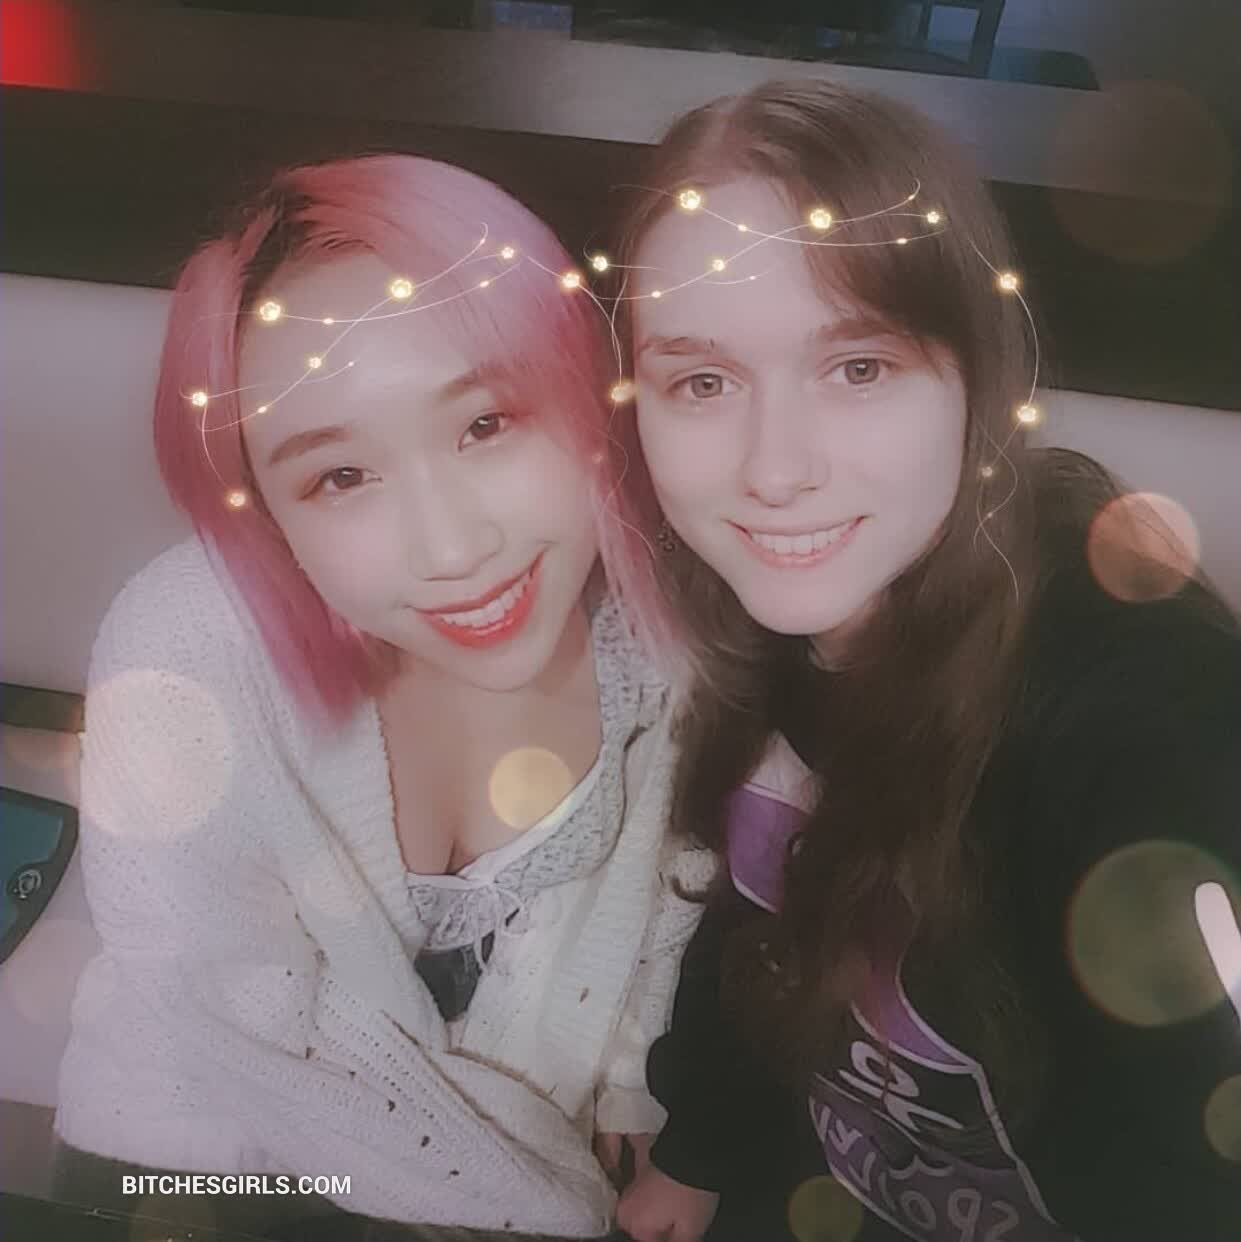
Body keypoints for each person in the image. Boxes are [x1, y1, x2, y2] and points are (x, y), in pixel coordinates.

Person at [599, 80, 1241, 1241]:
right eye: (702, 382)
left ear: (974, 378)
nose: (774, 471)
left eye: (857, 367)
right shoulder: (750, 618)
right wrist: (695, 1154)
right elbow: (759, 921)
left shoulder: (1146, 705)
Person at [53, 154, 711, 1238]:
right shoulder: (186, 650)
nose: (453, 548)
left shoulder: (661, 634)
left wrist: (642, 1088)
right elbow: (231, 1009)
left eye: (486, 423)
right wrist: (537, 1199)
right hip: (195, 1164)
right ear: (264, 510)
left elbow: (681, 887)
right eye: (341, 477)